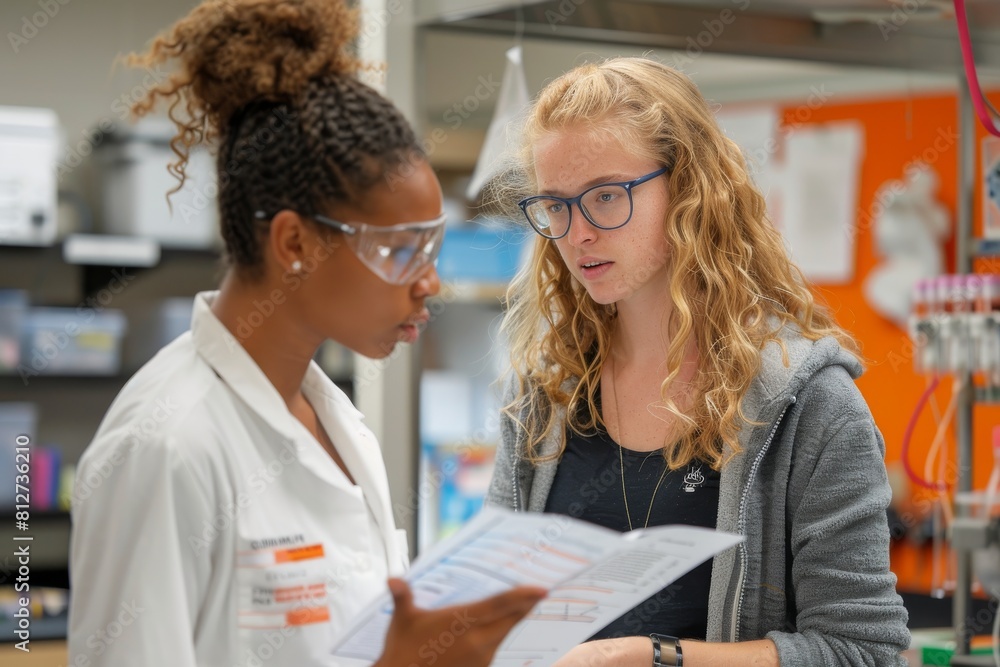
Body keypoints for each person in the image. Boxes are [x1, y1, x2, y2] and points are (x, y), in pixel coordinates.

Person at [68, 1, 545, 665]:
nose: (429, 281)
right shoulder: (166, 446)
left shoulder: (343, 429)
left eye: (432, 247)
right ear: (295, 242)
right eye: (402, 248)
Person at [486, 57, 910, 666]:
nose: (576, 233)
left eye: (606, 196)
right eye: (556, 205)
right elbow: (496, 614)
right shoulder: (545, 399)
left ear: (688, 189)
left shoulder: (809, 404)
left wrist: (656, 658)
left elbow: (862, 651)